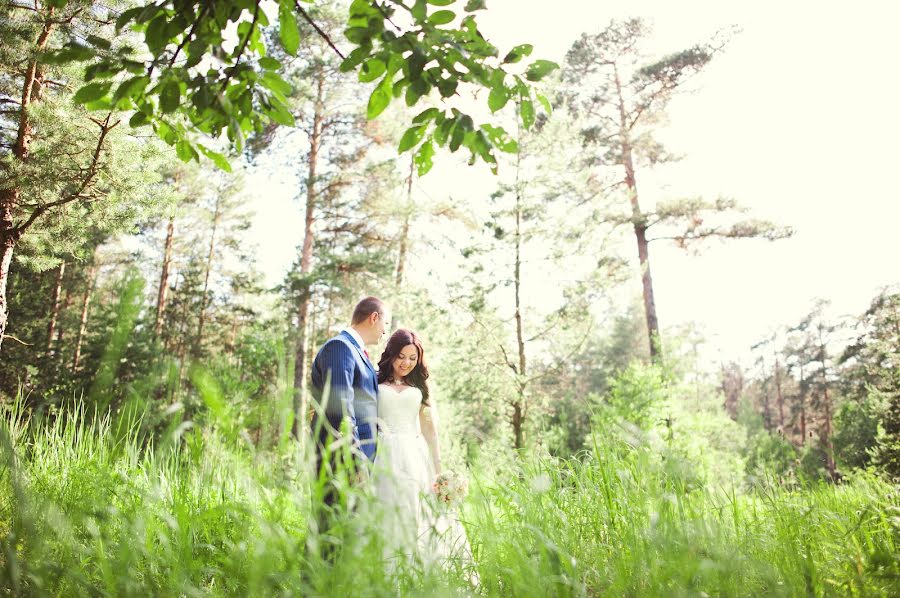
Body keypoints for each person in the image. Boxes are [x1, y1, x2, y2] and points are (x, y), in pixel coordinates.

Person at [372, 329, 474, 572]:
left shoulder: (420, 387)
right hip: (383, 454)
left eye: (412, 358)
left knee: (416, 512)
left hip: (414, 456)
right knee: (385, 509)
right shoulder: (374, 381)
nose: (406, 363)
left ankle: (417, 572)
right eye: (401, 356)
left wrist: (438, 472)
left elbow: (430, 430)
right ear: (391, 355)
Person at [308, 296, 389, 552]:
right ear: (373, 317)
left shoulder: (355, 352)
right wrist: (356, 463)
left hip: (351, 461)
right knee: (329, 536)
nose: (385, 330)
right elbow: (341, 410)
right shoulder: (339, 348)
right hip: (339, 461)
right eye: (385, 322)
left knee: (345, 538)